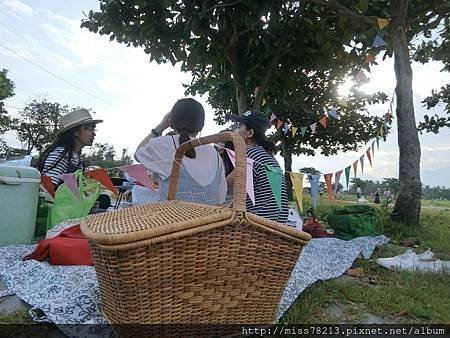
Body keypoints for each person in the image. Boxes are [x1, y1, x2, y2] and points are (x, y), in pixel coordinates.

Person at [135, 98, 227, 205]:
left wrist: (160, 126)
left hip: (169, 220)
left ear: (171, 121)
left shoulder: (162, 144)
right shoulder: (214, 153)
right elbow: (220, 198)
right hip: (209, 221)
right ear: (201, 125)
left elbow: (138, 154)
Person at [228, 110, 289, 223]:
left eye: (239, 126)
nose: (235, 131)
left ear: (250, 133)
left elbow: (225, 183)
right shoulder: (267, 155)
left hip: (258, 225)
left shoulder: (250, 155)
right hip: (278, 224)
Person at [38, 109, 102, 188]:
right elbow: (47, 187)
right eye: (89, 129)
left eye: (93, 129)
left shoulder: (78, 160)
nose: (94, 134)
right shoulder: (60, 154)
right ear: (75, 132)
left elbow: (79, 189)